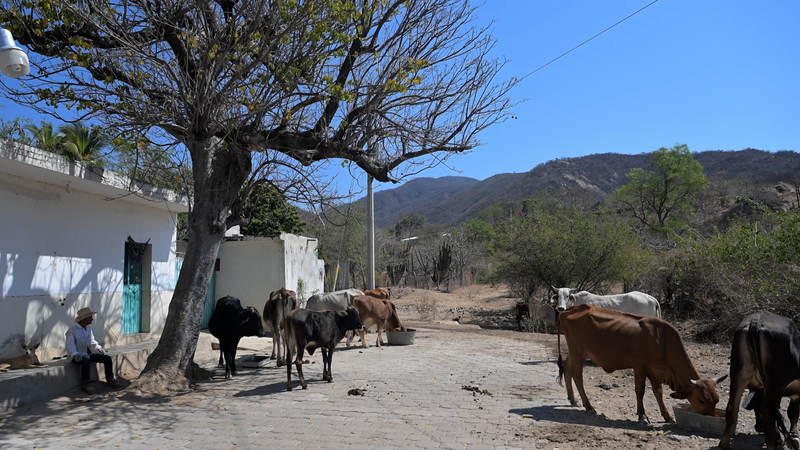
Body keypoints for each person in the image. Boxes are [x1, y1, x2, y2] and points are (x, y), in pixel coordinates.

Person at [65, 307, 122, 394]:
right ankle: (86, 383)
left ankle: (110, 379)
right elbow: (70, 345)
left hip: (88, 354)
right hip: (77, 356)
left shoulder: (88, 329)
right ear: (86, 318)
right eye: (90, 317)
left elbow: (92, 342)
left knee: (106, 358)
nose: (92, 318)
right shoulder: (73, 331)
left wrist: (98, 349)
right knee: (86, 360)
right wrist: (74, 354)